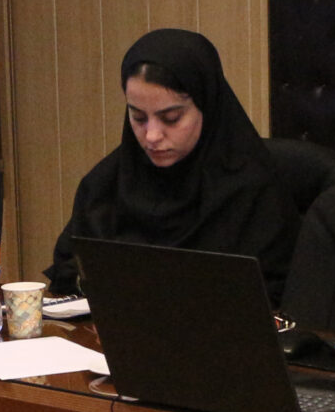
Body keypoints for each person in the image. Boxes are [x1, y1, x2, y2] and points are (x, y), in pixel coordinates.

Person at [45, 28, 299, 299]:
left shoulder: (253, 190)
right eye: (138, 118)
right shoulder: (105, 183)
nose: (152, 136)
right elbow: (69, 270)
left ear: (207, 106)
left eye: (171, 118)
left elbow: (273, 296)